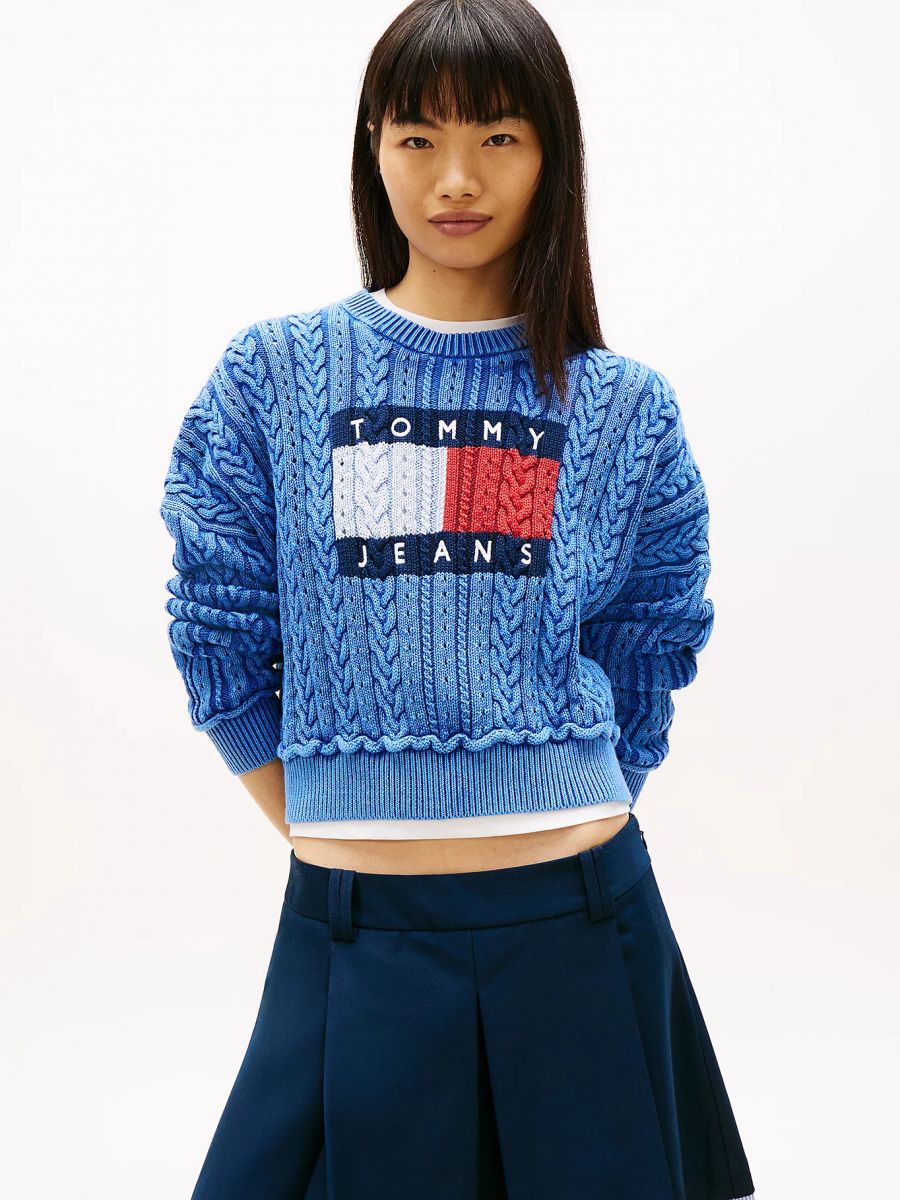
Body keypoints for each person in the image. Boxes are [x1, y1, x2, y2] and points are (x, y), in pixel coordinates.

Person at [159, 1, 756, 1195]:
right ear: (371, 149)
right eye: (418, 137)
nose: (456, 179)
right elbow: (214, 633)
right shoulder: (273, 376)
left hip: (586, 921)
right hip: (353, 927)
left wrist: (561, 787)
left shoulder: (623, 406)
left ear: (552, 155)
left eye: (498, 137)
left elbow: (651, 641)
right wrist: (332, 816)